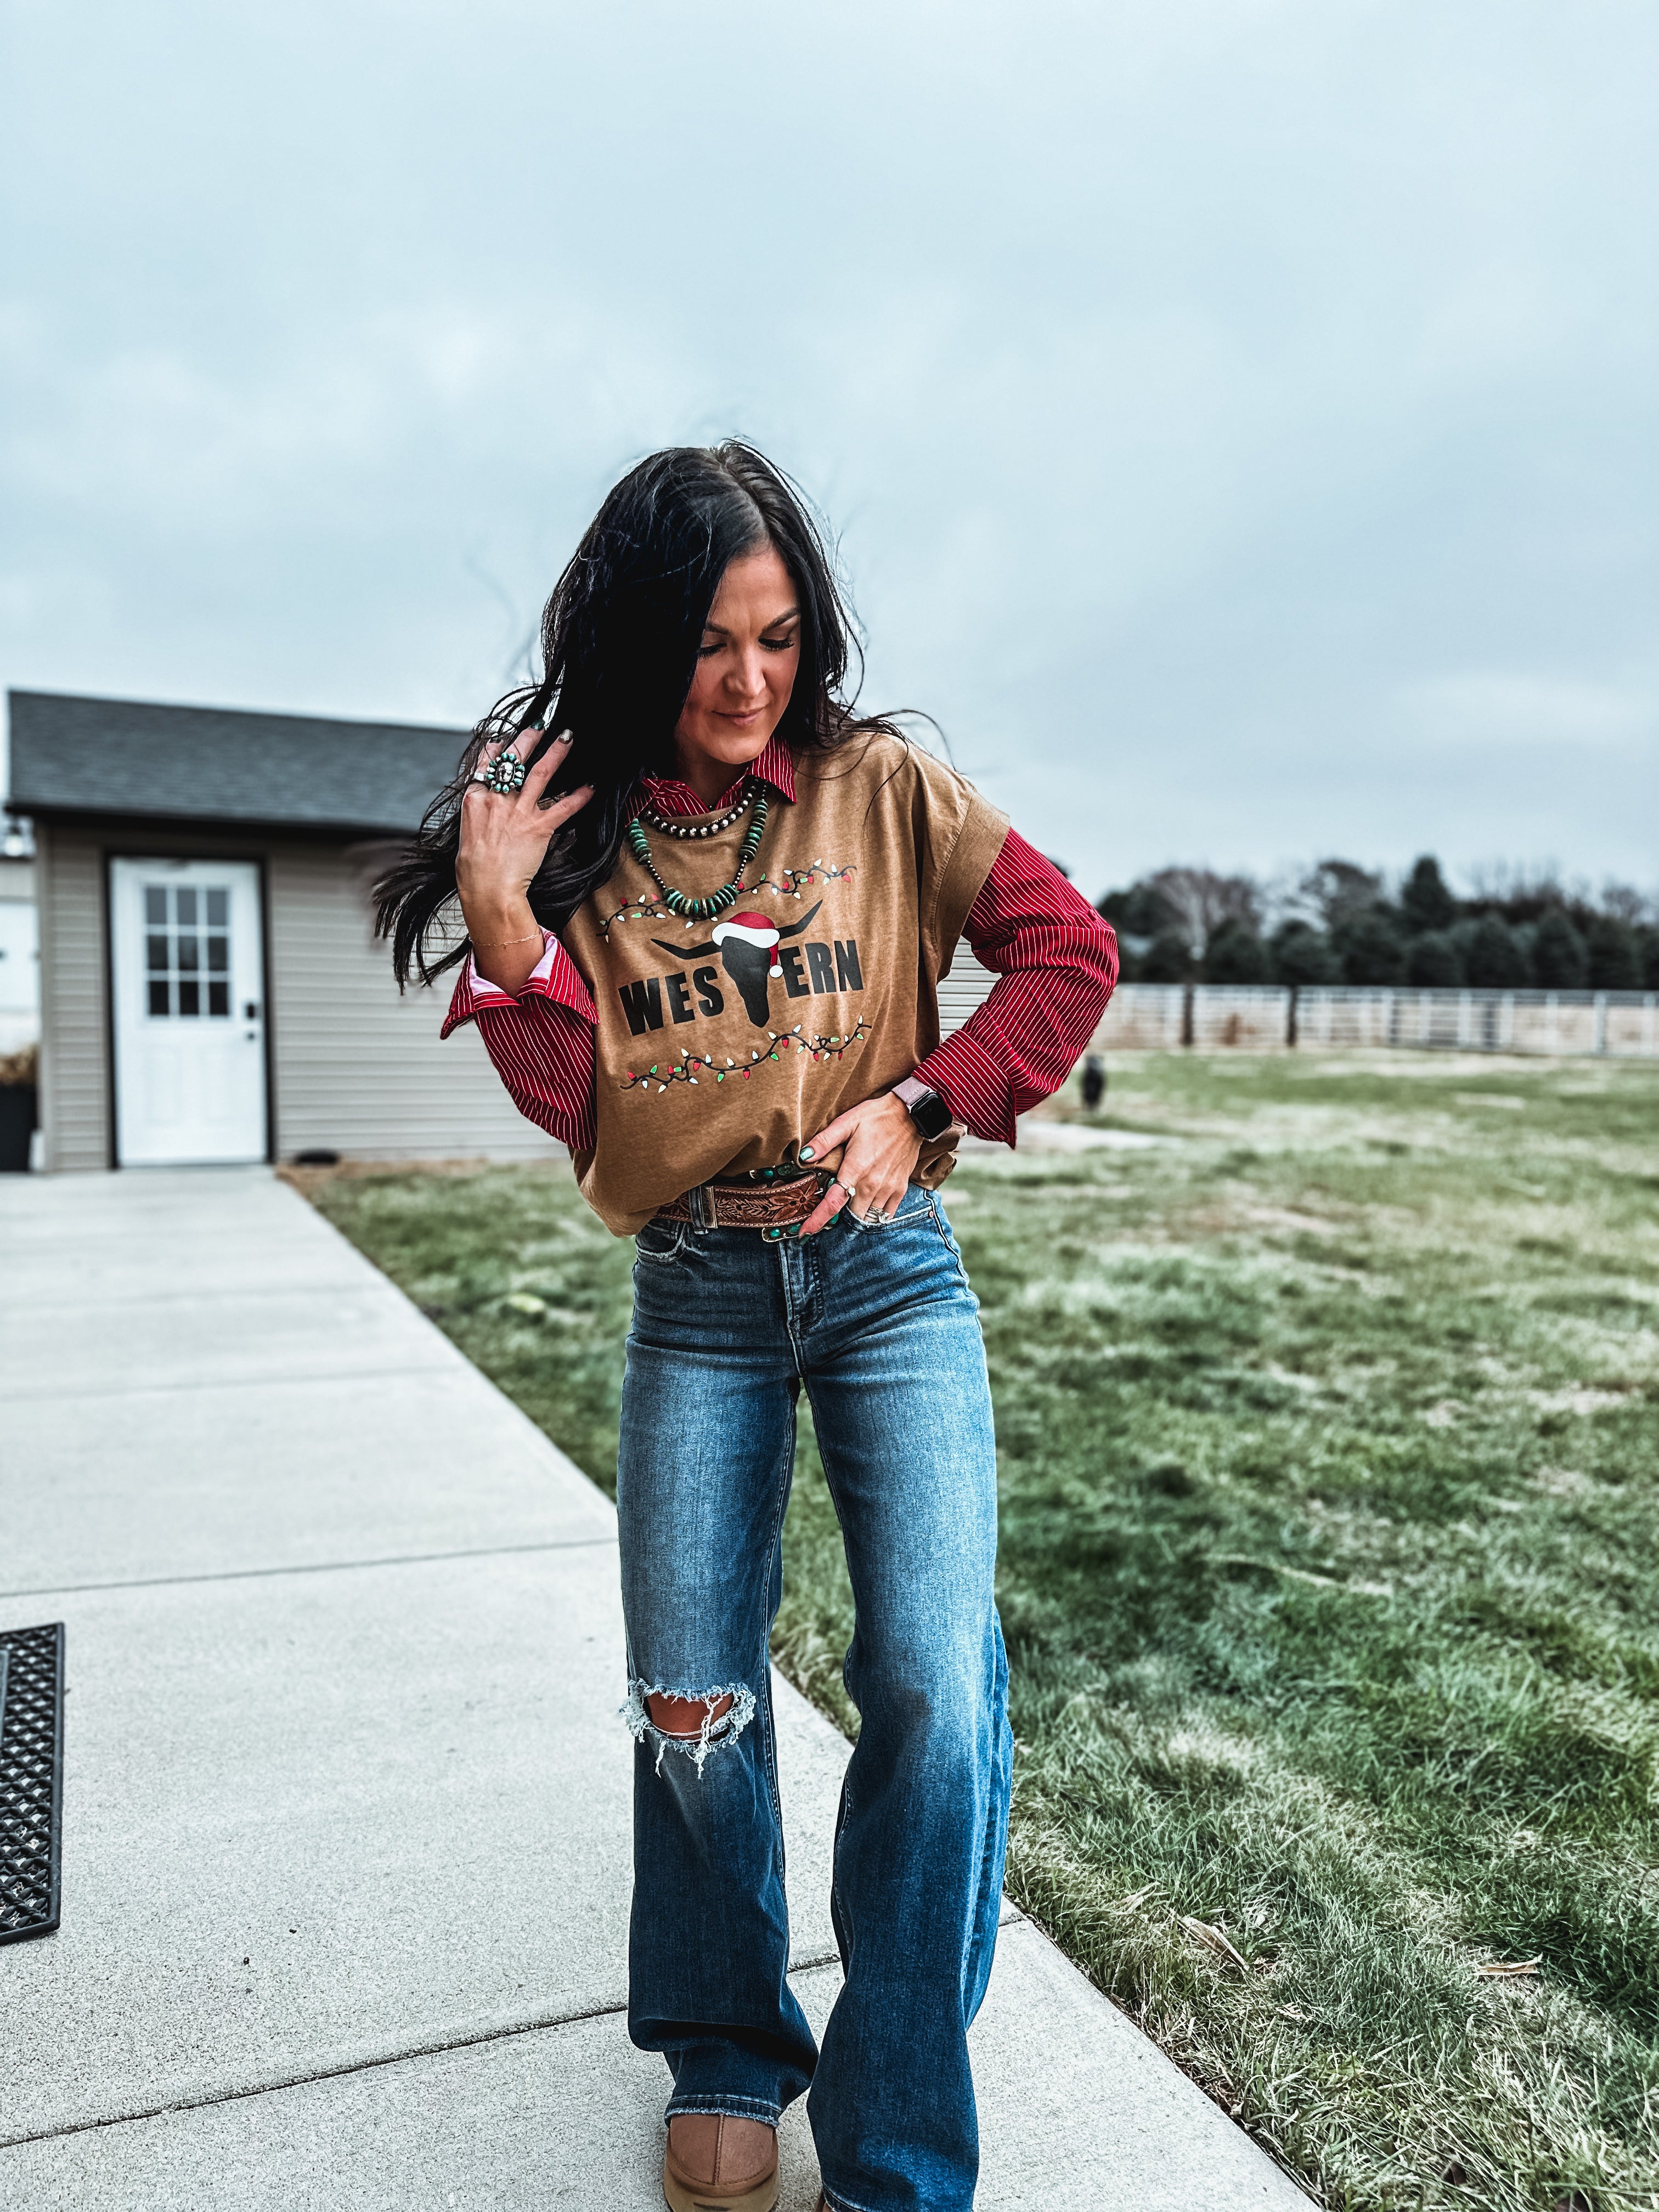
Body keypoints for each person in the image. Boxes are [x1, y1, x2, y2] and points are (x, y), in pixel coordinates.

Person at [376, 443, 1117, 2212]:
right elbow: (594, 1118)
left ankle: (898, 2128)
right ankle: (723, 2042)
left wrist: (927, 1102)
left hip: (887, 1271)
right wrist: (504, 932)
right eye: (712, 641)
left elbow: (1069, 955)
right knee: (692, 1698)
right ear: (645, 640)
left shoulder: (883, 790)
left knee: (932, 1685)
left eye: (779, 638)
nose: (750, 679)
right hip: (700, 1291)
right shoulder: (577, 829)